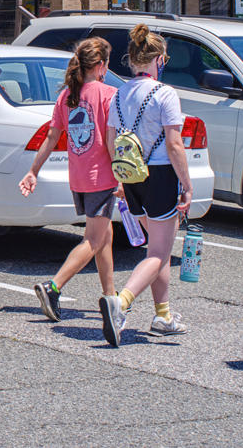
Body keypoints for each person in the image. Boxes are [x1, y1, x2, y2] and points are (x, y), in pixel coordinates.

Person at [99, 23, 193, 346]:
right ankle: (120, 304)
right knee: (158, 253)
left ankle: (163, 315)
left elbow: (110, 140)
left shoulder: (118, 93)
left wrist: (121, 177)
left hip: (131, 176)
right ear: (159, 60)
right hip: (161, 176)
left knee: (157, 249)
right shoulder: (165, 94)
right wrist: (187, 184)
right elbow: (175, 145)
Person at [19, 36, 120, 321]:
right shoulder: (108, 94)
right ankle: (53, 286)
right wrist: (122, 176)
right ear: (100, 66)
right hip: (102, 177)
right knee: (93, 239)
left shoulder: (66, 96)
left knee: (105, 237)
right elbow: (112, 142)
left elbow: (52, 136)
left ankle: (110, 296)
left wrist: (33, 171)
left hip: (79, 178)